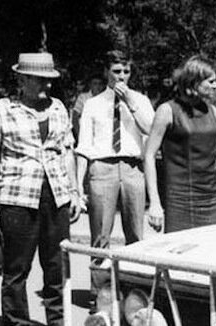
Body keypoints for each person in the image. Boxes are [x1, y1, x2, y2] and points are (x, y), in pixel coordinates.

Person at [0, 52, 82, 326]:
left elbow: (67, 152)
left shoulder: (58, 108)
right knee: (16, 266)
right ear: (22, 79)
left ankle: (58, 322)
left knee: (57, 264)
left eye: (49, 80)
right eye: (40, 80)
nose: (46, 86)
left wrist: (74, 192)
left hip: (56, 195)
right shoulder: (3, 109)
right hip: (17, 196)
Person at [75, 50, 154, 262]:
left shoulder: (141, 100)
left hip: (132, 168)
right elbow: (84, 147)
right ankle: (99, 281)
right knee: (100, 235)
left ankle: (132, 279)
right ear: (106, 72)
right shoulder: (93, 103)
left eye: (126, 71)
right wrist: (78, 186)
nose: (122, 76)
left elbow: (150, 130)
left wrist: (130, 102)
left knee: (136, 235)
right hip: (102, 168)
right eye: (117, 71)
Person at [142, 55, 216, 233]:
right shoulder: (167, 110)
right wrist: (155, 203)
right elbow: (149, 155)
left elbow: (214, 158)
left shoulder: (213, 111)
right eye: (211, 81)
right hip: (180, 199)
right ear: (194, 82)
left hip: (212, 199)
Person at [71, 73, 105, 139]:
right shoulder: (83, 98)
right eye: (95, 84)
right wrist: (80, 136)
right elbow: (75, 118)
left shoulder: (105, 99)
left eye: (100, 84)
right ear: (90, 85)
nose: (98, 87)